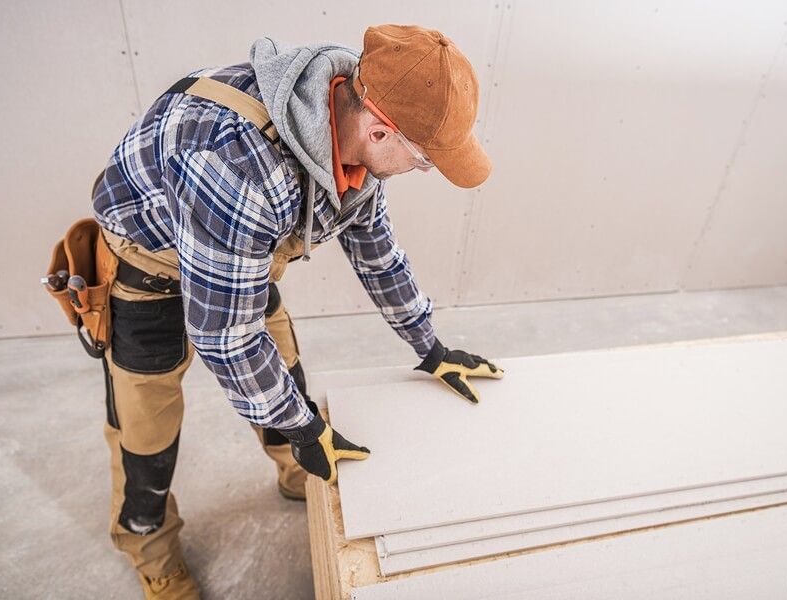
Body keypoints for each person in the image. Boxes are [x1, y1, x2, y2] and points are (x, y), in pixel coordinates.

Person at [91, 24, 504, 598]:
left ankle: (296, 467)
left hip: (234, 252)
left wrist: (429, 346)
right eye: (424, 158)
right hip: (148, 270)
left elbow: (377, 252)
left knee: (285, 376)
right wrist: (304, 425)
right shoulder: (238, 168)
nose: (422, 168)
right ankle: (150, 549)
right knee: (147, 437)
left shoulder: (350, 127)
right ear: (382, 128)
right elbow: (226, 336)